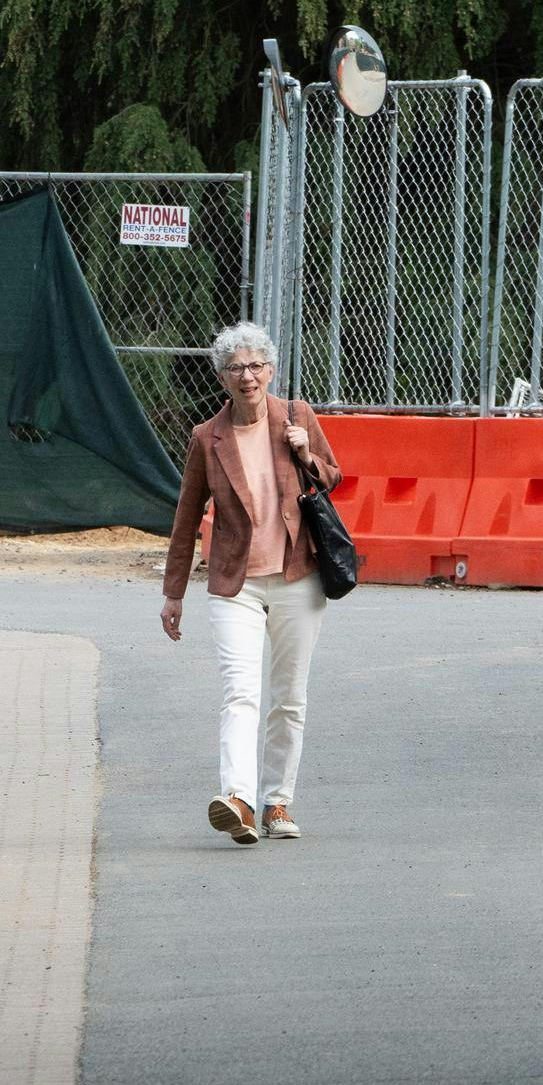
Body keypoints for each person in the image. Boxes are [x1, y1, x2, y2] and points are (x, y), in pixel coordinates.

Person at [160, 322, 343, 846]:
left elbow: (334, 477)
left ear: (271, 369)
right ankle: (237, 799)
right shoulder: (206, 438)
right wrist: (174, 592)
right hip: (234, 582)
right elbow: (187, 514)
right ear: (221, 377)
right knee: (240, 692)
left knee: (288, 697)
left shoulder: (297, 416)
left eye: (256, 365)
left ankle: (276, 801)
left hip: (296, 576)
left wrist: (306, 452)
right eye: (236, 368)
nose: (248, 376)